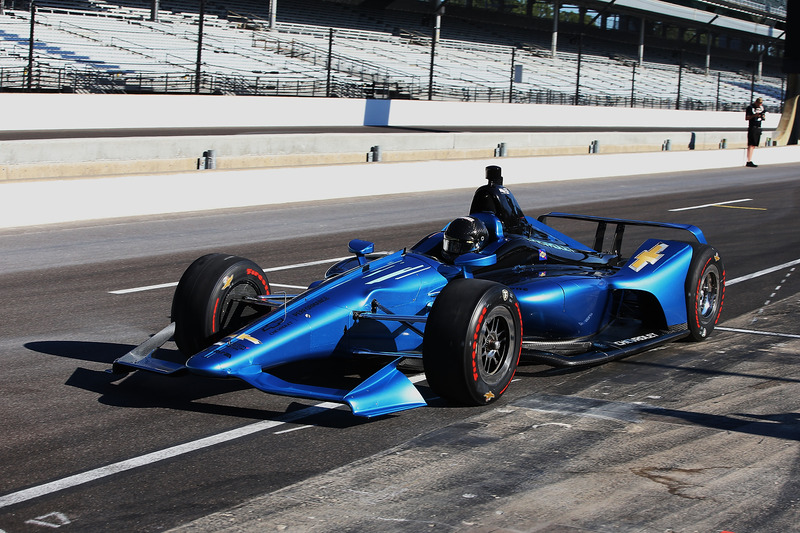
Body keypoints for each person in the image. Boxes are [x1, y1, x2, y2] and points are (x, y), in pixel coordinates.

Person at [745, 97, 765, 168]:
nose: (760, 104)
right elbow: (747, 118)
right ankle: (749, 160)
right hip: (752, 127)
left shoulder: (762, 108)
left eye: (761, 103)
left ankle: (750, 159)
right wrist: (754, 115)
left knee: (754, 144)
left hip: (758, 127)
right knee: (751, 144)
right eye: (759, 103)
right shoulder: (750, 108)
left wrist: (762, 116)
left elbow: (763, 117)